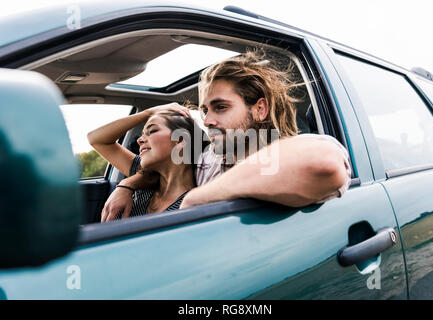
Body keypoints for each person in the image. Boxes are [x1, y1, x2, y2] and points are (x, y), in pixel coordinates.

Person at [100, 50, 352, 222]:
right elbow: (163, 171)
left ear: (259, 109)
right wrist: (127, 185)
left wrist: (194, 200)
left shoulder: (284, 152)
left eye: (221, 107)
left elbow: (324, 164)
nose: (208, 120)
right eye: (205, 110)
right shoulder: (208, 158)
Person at [87, 106, 206, 222]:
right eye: (142, 134)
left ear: (181, 140)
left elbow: (97, 140)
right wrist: (148, 112)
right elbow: (95, 138)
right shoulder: (143, 175)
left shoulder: (194, 202)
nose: (139, 140)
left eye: (152, 131)